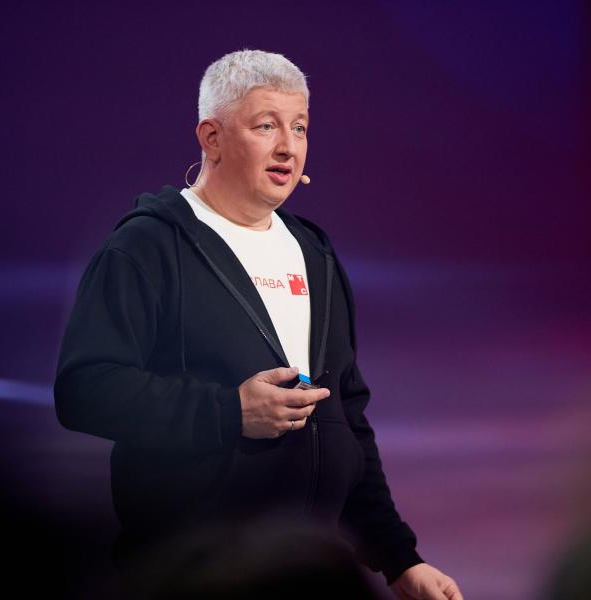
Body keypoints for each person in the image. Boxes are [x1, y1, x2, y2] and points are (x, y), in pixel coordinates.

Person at [54, 49, 463, 600]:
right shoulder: (146, 247)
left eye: (300, 127)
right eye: (266, 125)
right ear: (212, 137)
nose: (288, 146)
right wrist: (229, 412)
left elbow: (345, 417)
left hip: (305, 571)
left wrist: (397, 558)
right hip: (190, 574)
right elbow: (84, 390)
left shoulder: (313, 251)